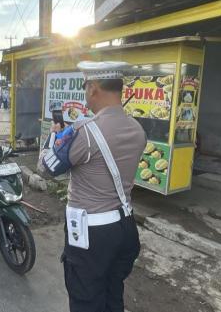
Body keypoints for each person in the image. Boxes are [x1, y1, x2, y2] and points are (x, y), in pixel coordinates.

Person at [42, 61, 146, 312]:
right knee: (112, 295)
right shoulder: (137, 129)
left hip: (91, 234)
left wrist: (54, 136)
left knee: (86, 301)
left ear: (93, 88)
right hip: (125, 228)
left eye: (85, 85)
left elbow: (46, 168)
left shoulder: (85, 132)